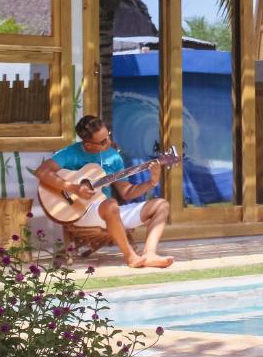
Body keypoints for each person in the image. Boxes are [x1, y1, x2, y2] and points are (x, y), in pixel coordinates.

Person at [35, 115, 174, 268]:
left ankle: (149, 254)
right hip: (81, 212)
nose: (108, 142)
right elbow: (42, 172)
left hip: (110, 213)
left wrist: (151, 182)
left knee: (161, 205)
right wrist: (73, 188)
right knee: (111, 205)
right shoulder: (70, 153)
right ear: (87, 144)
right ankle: (131, 257)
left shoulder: (114, 157)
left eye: (108, 136)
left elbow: (127, 192)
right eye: (102, 142)